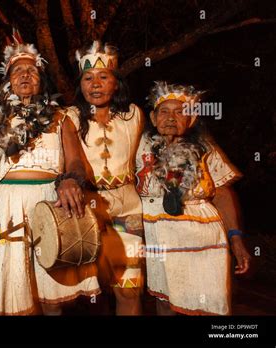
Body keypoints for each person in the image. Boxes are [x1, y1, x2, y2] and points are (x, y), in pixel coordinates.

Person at [0, 31, 100, 315]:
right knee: (12, 297)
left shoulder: (61, 118)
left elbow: (77, 163)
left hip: (51, 205)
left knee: (52, 300)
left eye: (32, 70)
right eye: (18, 70)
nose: (26, 75)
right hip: (5, 210)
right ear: (7, 81)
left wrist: (69, 180)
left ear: (42, 80)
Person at [135, 81, 251, 315]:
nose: (171, 118)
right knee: (165, 303)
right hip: (159, 235)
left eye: (180, 112)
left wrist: (236, 238)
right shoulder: (139, 146)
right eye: (164, 112)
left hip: (204, 240)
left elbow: (222, 192)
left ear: (192, 119)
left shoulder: (205, 148)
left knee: (209, 302)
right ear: (153, 117)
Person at [64, 41, 145, 315]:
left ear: (116, 82)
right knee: (90, 292)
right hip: (87, 209)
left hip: (129, 210)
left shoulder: (134, 115)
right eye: (88, 78)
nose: (95, 84)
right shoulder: (70, 117)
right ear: (81, 84)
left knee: (129, 285)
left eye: (103, 77)